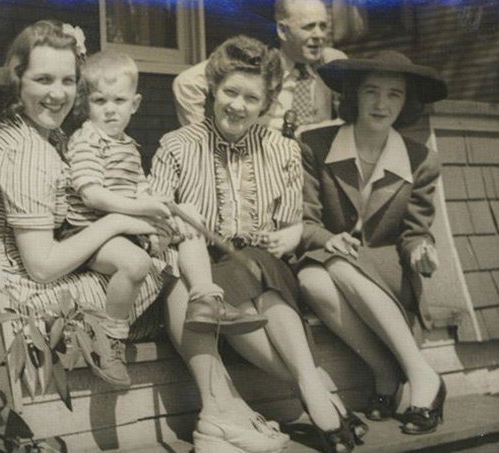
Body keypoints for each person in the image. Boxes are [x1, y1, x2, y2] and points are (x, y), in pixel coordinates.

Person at [0, 21, 289, 453]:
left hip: (70, 274)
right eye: (43, 79)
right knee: (172, 272)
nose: (58, 93)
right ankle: (220, 414)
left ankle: (224, 409)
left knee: (180, 262)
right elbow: (41, 267)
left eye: (67, 80)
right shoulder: (28, 152)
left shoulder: (46, 135)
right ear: (18, 78)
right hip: (38, 301)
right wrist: (121, 223)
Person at [152, 35, 366, 453]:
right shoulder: (176, 146)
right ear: (212, 88)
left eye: (251, 98)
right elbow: (156, 218)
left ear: (266, 104)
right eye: (230, 91)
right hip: (199, 264)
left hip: (261, 266)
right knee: (228, 281)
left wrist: (291, 234)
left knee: (254, 269)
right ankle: (317, 389)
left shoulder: (282, 151)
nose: (237, 105)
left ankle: (311, 387)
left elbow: (293, 226)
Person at [61, 50, 267, 384]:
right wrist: (145, 210)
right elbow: (91, 194)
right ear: (87, 103)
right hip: (88, 232)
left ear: (135, 104)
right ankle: (108, 338)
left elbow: (142, 191)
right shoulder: (87, 139)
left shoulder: (126, 144)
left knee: (188, 214)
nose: (110, 109)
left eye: (119, 100)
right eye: (100, 101)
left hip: (122, 229)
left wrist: (167, 212)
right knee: (135, 264)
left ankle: (205, 297)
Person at [296, 51, 448, 436]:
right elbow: (305, 221)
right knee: (311, 279)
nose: (382, 104)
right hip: (328, 257)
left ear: (407, 101)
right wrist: (331, 240)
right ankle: (388, 371)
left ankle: (420, 374)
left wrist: (421, 250)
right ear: (353, 95)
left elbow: (415, 231)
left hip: (387, 268)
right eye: (371, 91)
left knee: (337, 265)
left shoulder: (422, 161)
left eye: (394, 94)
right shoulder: (314, 144)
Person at [173, 0, 346, 132]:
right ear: (283, 31)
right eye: (309, 27)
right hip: (265, 165)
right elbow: (186, 84)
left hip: (314, 170)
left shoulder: (332, 63)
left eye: (323, 26)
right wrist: (200, 141)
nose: (319, 35)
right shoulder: (261, 62)